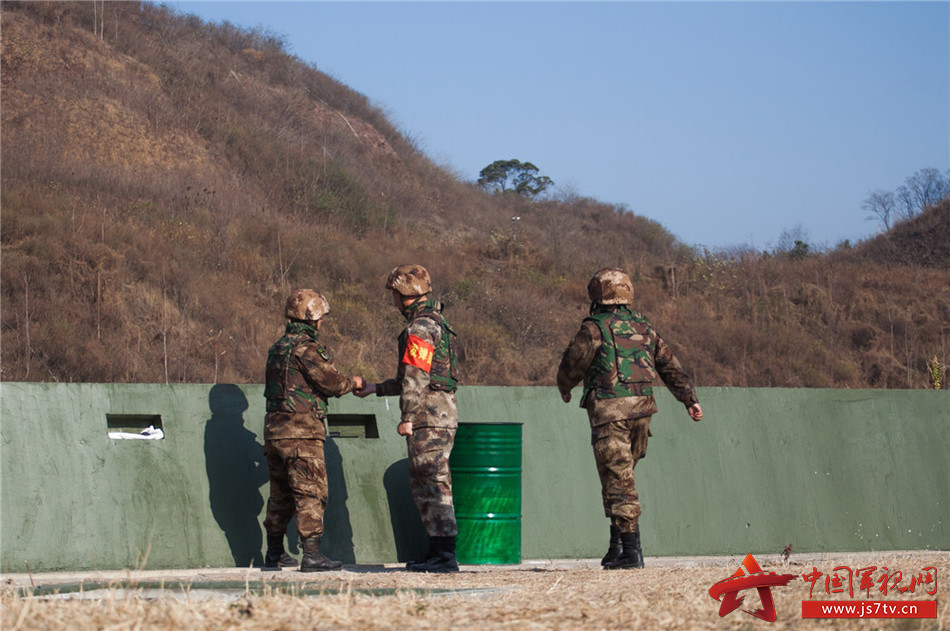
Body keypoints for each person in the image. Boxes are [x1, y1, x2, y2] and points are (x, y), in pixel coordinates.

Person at [556, 268, 703, 570]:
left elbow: (574, 361)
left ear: (597, 294)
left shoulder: (594, 328)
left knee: (619, 481)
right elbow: (669, 364)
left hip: (610, 412)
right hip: (642, 413)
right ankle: (617, 546)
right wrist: (689, 399)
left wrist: (565, 387)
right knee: (620, 476)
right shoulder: (645, 327)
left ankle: (632, 553)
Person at [356, 264, 461, 573]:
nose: (394, 302)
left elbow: (415, 377)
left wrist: (407, 416)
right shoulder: (436, 322)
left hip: (428, 415)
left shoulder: (420, 328)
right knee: (430, 482)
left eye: (396, 296)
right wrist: (377, 388)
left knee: (432, 482)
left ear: (406, 296)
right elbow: (413, 378)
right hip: (437, 411)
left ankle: (444, 556)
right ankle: (436, 552)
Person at [262, 289, 363, 572]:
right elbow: (330, 382)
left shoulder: (277, 349)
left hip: (274, 432)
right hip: (302, 433)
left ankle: (274, 554)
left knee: (280, 493)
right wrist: (353, 383)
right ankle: (312, 555)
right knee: (310, 492)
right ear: (314, 318)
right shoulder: (307, 349)